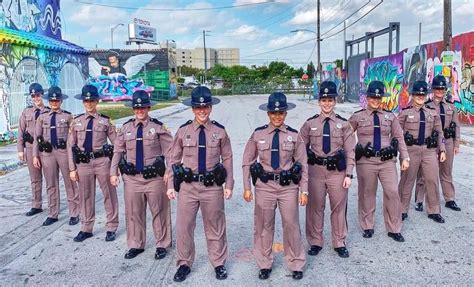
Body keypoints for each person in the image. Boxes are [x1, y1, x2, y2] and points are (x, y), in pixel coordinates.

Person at [167, 86, 234, 282]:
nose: (202, 111)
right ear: (193, 109)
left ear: (211, 108)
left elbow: (228, 158)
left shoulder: (219, 131)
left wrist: (229, 183)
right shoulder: (183, 131)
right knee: (184, 226)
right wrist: (170, 184)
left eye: (205, 107)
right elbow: (173, 159)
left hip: (212, 187)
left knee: (215, 225)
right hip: (188, 187)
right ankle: (184, 263)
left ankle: (219, 262)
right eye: (198, 107)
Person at [242, 92, 307, 280]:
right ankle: (264, 263)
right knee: (263, 225)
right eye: (273, 113)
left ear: (286, 113)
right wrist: (247, 187)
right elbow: (247, 161)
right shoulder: (258, 134)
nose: (277, 116)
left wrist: (305, 190)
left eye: (281, 113)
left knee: (291, 224)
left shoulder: (295, 136)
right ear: (268, 114)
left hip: (288, 187)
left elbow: (303, 164)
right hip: (265, 186)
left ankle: (296, 263)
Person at [110, 90, 173, 259]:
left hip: (154, 179)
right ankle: (136, 244)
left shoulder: (158, 128)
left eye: (143, 107)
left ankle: (162, 244)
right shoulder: (125, 128)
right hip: (132, 179)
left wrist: (169, 171)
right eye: (137, 108)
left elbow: (171, 153)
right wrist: (113, 172)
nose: (140, 111)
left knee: (159, 212)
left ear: (148, 108)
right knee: (134, 212)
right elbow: (117, 150)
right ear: (133, 109)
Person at [300, 81, 356, 258]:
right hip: (315, 171)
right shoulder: (309, 124)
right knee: (315, 207)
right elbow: (300, 151)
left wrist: (349, 174)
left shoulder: (344, 124)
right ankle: (315, 241)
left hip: (337, 173)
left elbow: (350, 150)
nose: (327, 103)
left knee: (338, 207)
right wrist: (302, 176)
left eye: (330, 100)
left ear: (335, 101)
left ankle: (339, 241)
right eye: (323, 100)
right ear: (319, 101)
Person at [348, 80, 409, 242]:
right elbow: (345, 137)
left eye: (378, 97)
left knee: (392, 192)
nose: (375, 100)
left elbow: (399, 137)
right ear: (367, 98)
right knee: (367, 193)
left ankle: (394, 227)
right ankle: (367, 225)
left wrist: (405, 156)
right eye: (372, 97)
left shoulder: (390, 116)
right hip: (366, 161)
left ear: (382, 98)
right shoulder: (357, 117)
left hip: (386, 161)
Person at [68, 85, 119, 242]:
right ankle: (86, 227)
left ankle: (111, 226)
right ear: (83, 102)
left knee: (108, 195)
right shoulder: (76, 122)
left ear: (97, 101)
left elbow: (117, 145)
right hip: (83, 163)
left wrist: (114, 169)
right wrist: (72, 168)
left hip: (102, 161)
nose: (89, 103)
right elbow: (70, 145)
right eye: (86, 101)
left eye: (92, 101)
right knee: (85, 195)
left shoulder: (105, 121)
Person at [398, 80, 446, 223]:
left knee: (432, 180)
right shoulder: (405, 113)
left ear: (426, 95)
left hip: (429, 151)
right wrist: (401, 154)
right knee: (407, 181)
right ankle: (401, 210)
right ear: (412, 95)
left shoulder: (433, 113)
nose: (420, 97)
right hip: (410, 150)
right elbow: (397, 134)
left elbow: (440, 133)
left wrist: (442, 149)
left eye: (422, 94)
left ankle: (434, 210)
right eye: (417, 94)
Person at [32, 86, 80, 226]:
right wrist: (35, 155)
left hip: (63, 152)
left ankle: (74, 212)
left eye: (57, 100)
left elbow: (73, 137)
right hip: (47, 154)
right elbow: (37, 137)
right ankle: (53, 214)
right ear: (49, 101)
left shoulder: (67, 116)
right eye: (52, 100)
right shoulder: (42, 117)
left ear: (61, 101)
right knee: (51, 184)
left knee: (70, 183)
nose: (54, 103)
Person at [414, 75, 461, 212]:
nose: (440, 91)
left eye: (442, 88)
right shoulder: (426, 106)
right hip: (431, 142)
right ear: (432, 89)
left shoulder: (451, 107)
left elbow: (456, 126)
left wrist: (456, 144)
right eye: (437, 88)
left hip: (447, 141)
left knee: (446, 171)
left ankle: (449, 198)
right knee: (424, 172)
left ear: (445, 90)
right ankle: (419, 200)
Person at [17, 83, 49, 216]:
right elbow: (20, 131)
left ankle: (53, 206)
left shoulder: (48, 111)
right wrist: (20, 149)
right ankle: (36, 205)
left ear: (42, 94)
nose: (36, 98)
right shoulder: (26, 112)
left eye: (38, 95)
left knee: (50, 178)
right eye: (33, 96)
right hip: (30, 148)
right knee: (35, 178)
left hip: (45, 149)